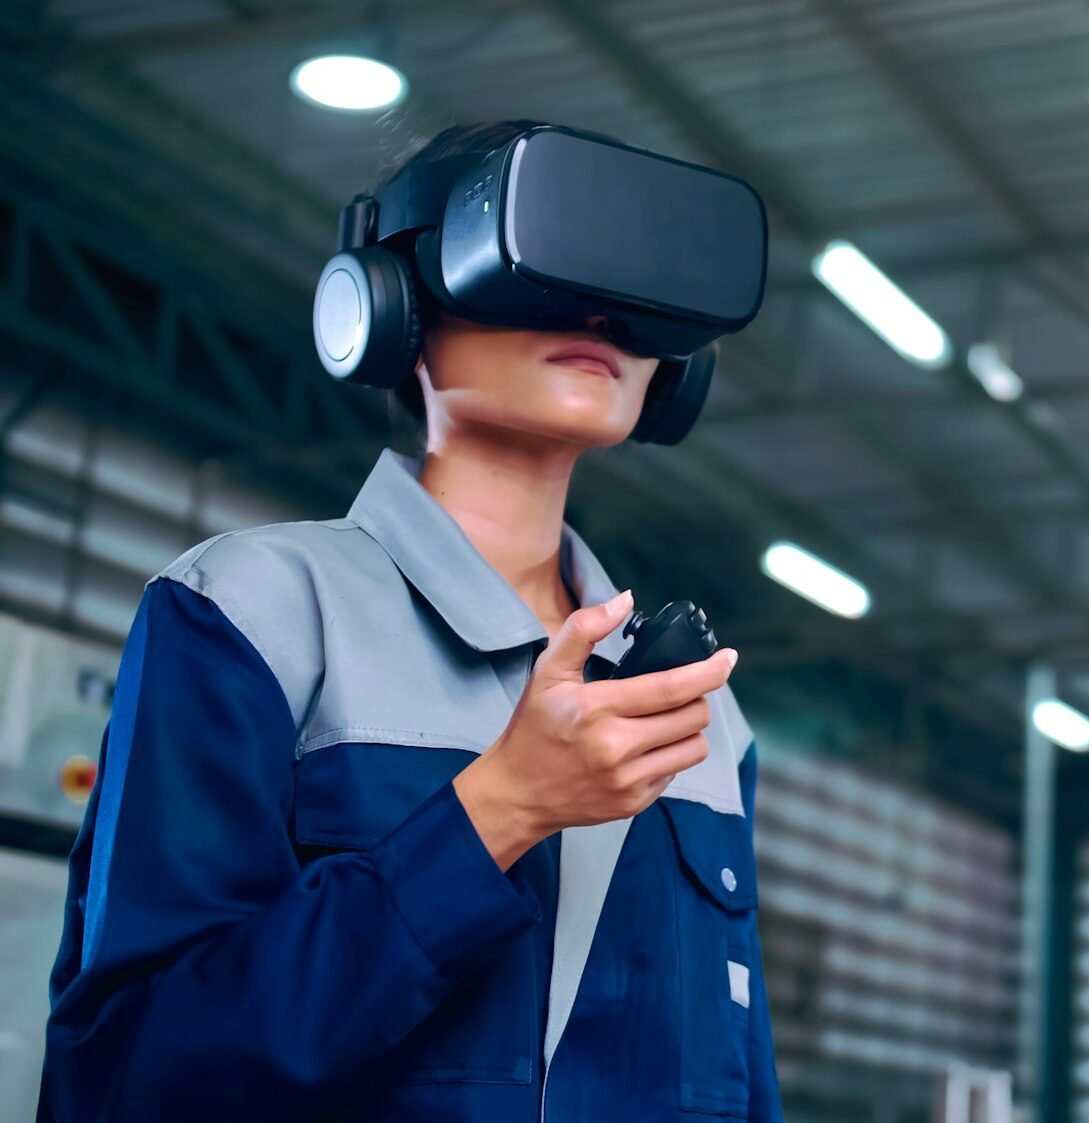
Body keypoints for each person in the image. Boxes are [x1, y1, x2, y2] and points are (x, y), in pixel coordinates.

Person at [37, 120, 782, 1122]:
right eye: (544, 253)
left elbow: (737, 1086)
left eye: (637, 284)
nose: (602, 311)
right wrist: (499, 810)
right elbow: (133, 1075)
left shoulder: (701, 716)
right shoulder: (256, 612)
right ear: (385, 304)